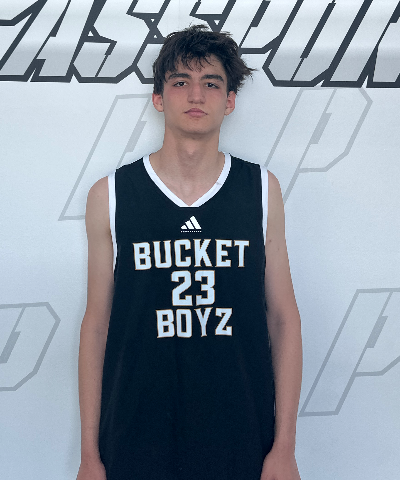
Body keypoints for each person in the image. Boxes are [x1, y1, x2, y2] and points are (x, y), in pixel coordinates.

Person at [76, 25, 302, 480]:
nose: (196, 94)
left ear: (230, 101)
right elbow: (97, 325)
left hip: (241, 438)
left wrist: (284, 448)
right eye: (181, 81)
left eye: (211, 83)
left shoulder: (261, 190)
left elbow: (283, 319)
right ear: (158, 98)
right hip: (135, 437)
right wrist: (89, 456)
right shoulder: (111, 195)